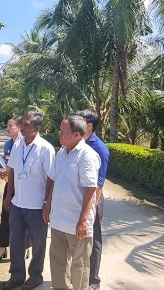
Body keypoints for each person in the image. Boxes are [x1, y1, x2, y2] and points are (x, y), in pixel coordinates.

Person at [43, 115, 99, 290]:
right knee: (58, 263)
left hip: (77, 223)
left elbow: (91, 189)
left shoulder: (87, 156)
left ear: (77, 135)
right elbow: (55, 181)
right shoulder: (62, 152)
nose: (59, 133)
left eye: (63, 131)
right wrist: (47, 204)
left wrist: (83, 221)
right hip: (59, 221)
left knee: (79, 265)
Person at [1, 111, 55, 290]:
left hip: (37, 206)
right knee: (15, 241)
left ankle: (35, 276)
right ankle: (16, 276)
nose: (22, 127)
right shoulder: (18, 145)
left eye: (27, 125)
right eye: (22, 124)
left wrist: (47, 204)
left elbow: (51, 179)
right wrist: (9, 196)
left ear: (37, 128)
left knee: (38, 242)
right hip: (18, 204)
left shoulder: (45, 148)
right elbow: (13, 171)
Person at [76, 110, 110, 290]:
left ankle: (93, 281)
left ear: (89, 126)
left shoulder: (99, 148)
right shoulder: (77, 143)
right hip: (77, 199)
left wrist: (90, 208)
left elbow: (99, 183)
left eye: (80, 121)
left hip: (93, 201)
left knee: (94, 238)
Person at [0, 116, 23, 260]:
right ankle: (3, 246)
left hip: (23, 186)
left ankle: (25, 246)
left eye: (10, 126)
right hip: (10, 184)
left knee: (23, 217)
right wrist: (4, 170)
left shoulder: (24, 144)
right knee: (5, 216)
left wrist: (10, 170)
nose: (7, 129)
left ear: (19, 127)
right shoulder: (8, 144)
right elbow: (7, 163)